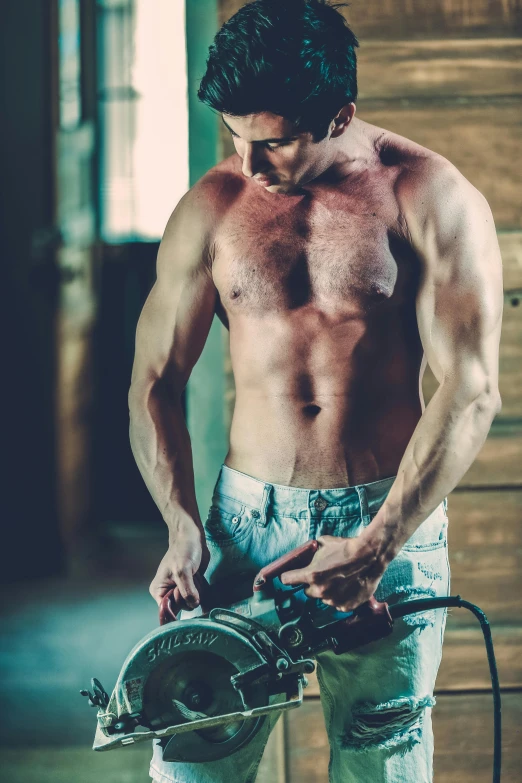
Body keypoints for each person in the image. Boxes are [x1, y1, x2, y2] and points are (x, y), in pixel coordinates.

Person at [128, 1, 503, 781]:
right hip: (243, 531)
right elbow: (154, 381)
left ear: (339, 115)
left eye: (271, 142)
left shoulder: (430, 198)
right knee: (192, 766)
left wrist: (378, 543)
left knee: (381, 767)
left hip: (386, 524)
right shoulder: (213, 207)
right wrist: (181, 526)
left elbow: (470, 392)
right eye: (236, 138)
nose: (249, 163)